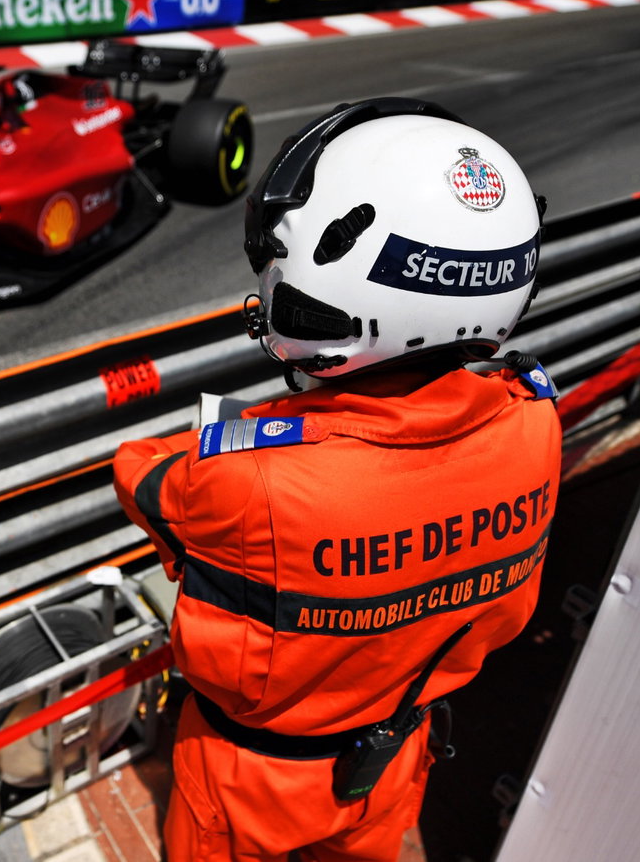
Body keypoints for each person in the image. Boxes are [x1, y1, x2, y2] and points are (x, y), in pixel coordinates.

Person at [113, 98, 563, 862]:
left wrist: (273, 427)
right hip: (395, 753)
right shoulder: (535, 420)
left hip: (250, 779)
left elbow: (139, 470)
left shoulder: (249, 476)